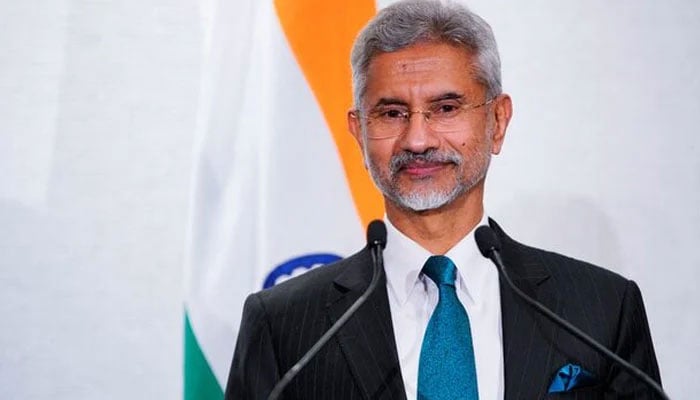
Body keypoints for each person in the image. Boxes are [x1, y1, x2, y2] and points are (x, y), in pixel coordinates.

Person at [225, 1, 662, 399]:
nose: (417, 139)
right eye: (392, 113)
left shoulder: (601, 309)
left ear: (498, 121)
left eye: (446, 108)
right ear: (359, 132)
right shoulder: (283, 325)